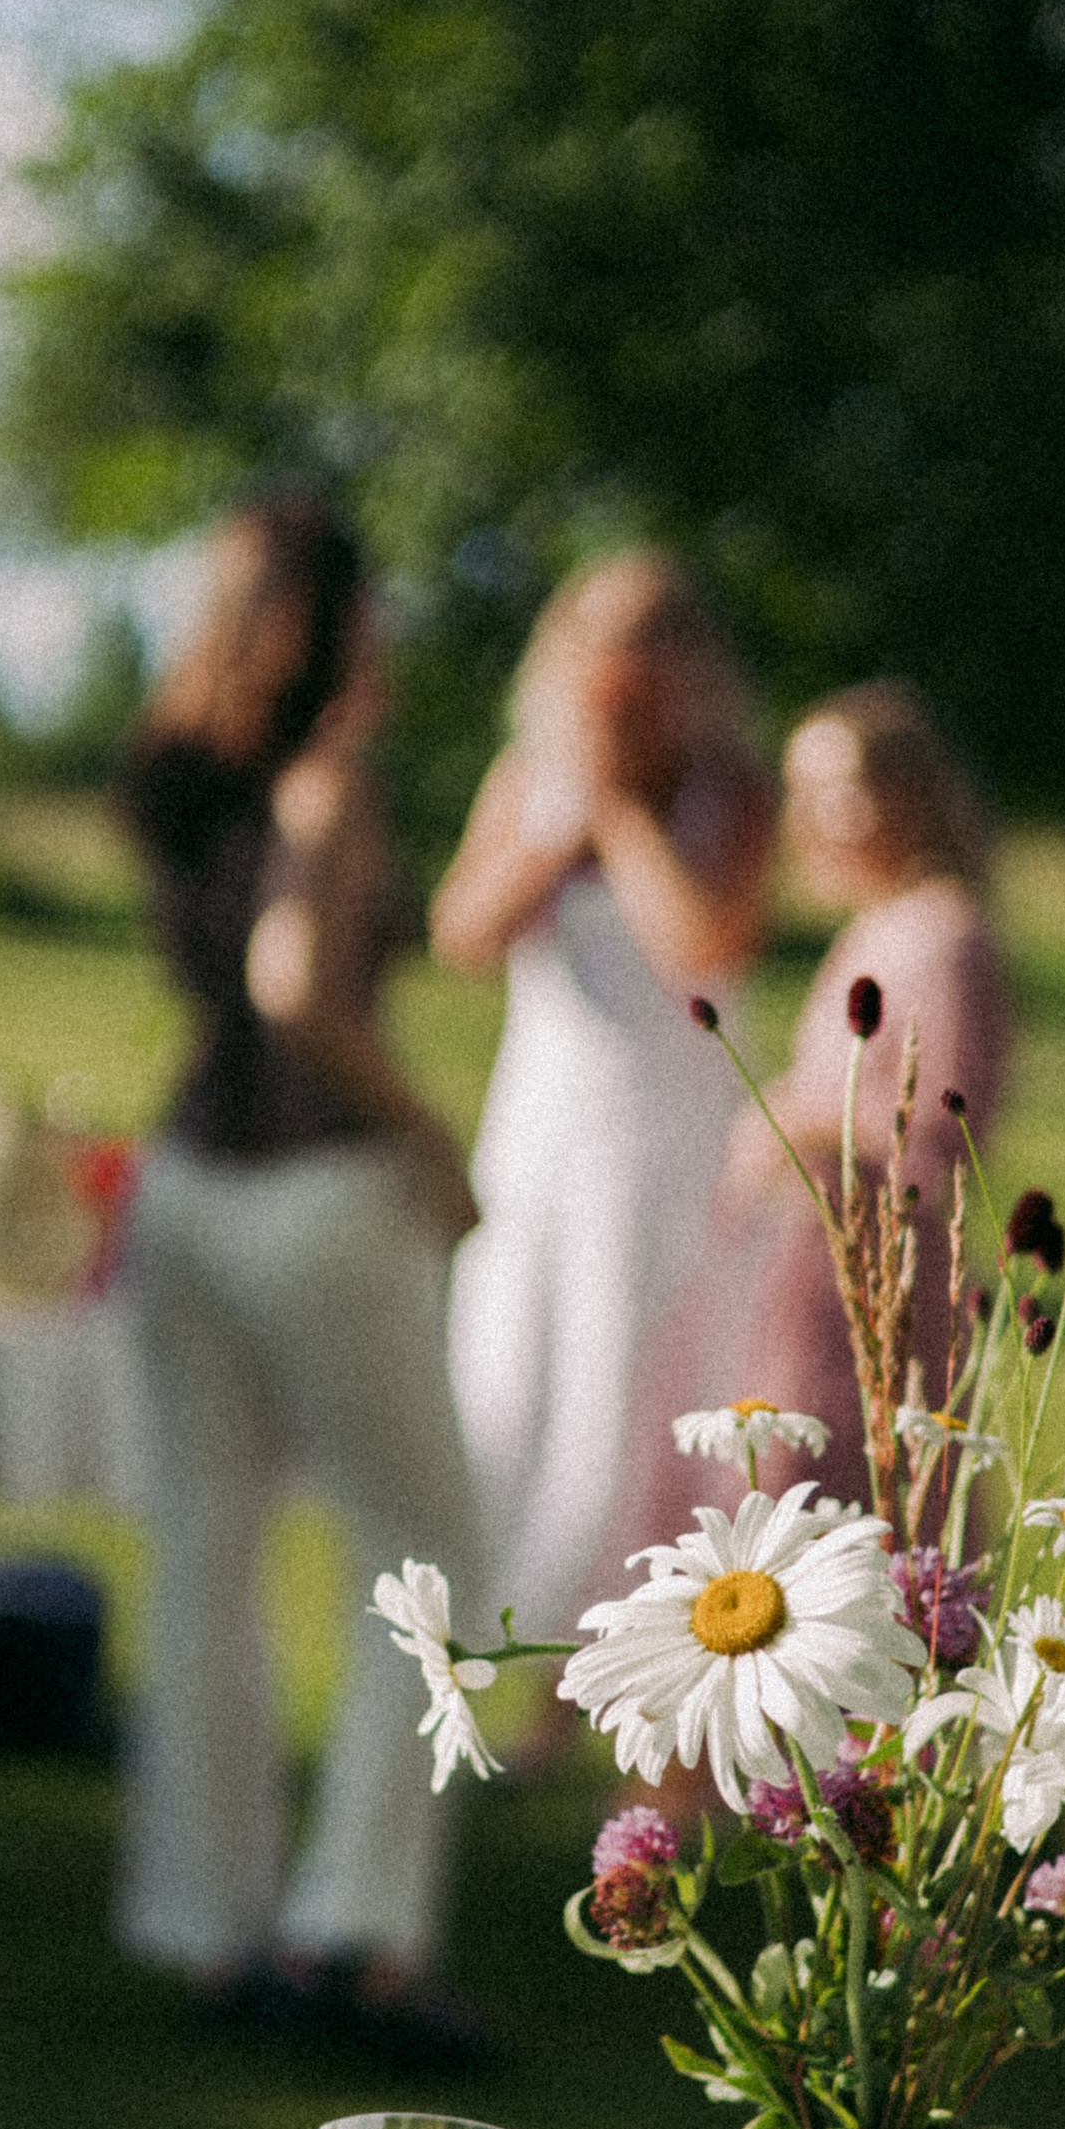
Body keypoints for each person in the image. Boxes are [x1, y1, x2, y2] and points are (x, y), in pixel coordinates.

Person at [114, 491, 484, 2035]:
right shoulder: (330, 785)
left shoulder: (183, 780)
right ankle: (355, 1940)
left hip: (183, 1189)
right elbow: (296, 991)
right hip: (316, 1194)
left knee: (206, 1552)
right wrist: (435, 1139)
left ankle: (211, 1928)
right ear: (340, 619)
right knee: (427, 1557)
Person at [431, 553, 773, 1641]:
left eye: (654, 637)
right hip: (542, 1115)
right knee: (504, 1365)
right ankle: (481, 1620)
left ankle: (601, 1645)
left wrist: (620, 809)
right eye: (604, 636)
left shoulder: (734, 792)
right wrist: (551, 826)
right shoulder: (527, 777)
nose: (626, 665)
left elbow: (703, 949)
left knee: (630, 1389)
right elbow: (462, 938)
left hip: (668, 1129)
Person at [615, 678, 1010, 1543]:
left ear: (904, 795)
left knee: (847, 1515)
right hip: (815, 1272)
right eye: (805, 795)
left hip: (876, 1287)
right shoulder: (880, 923)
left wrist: (794, 1120)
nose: (815, 820)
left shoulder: (942, 935)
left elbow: (947, 1132)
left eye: (840, 794)